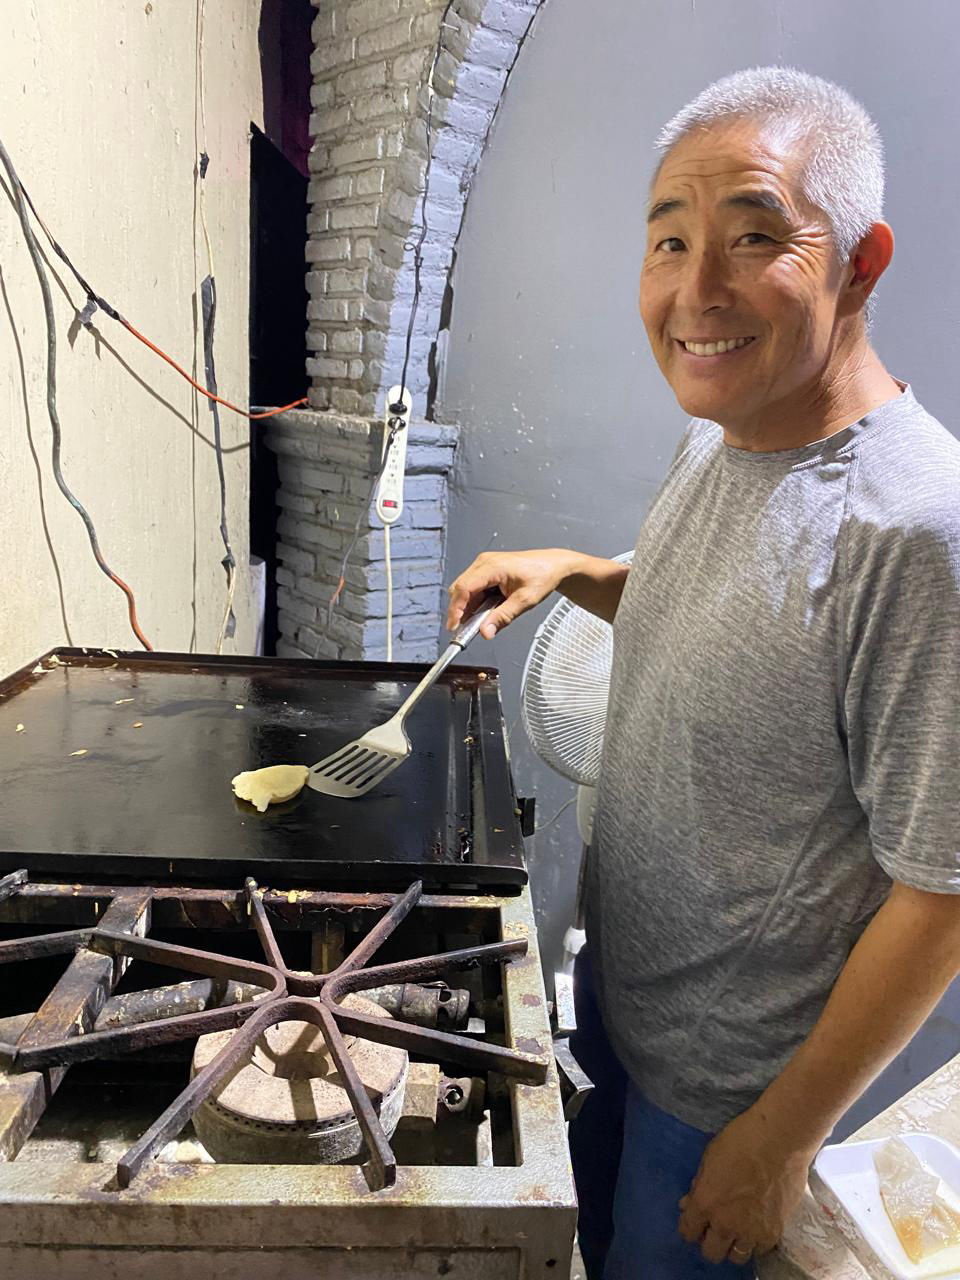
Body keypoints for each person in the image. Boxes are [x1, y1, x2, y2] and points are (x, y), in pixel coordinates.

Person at [446, 67, 960, 1278]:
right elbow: (730, 619)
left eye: (755, 237)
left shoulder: (917, 531)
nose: (696, 290)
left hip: (731, 1096)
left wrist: (781, 1139)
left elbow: (941, 890)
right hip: (623, 1007)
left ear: (862, 262)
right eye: (670, 240)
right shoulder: (720, 437)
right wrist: (577, 569)